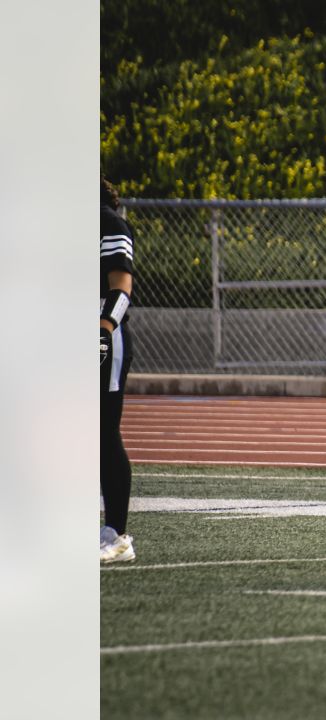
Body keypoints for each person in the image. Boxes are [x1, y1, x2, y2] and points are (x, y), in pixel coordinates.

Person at [100, 178, 138, 563]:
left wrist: (103, 329)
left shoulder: (107, 223)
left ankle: (117, 534)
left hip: (101, 335)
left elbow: (121, 286)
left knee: (102, 430)